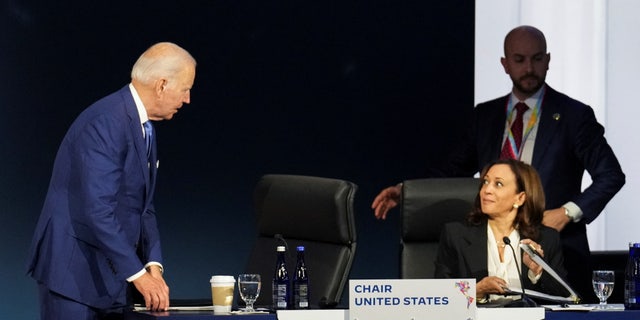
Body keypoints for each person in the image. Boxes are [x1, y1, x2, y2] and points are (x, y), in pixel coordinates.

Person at [371, 25, 625, 302]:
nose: (529, 67)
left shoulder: (574, 116)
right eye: (519, 60)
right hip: (493, 243)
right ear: (505, 64)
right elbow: (452, 169)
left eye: (537, 58)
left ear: (548, 60)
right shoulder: (485, 116)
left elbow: (610, 175)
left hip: (555, 246)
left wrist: (566, 213)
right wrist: (406, 190)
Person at [26, 42, 196, 319]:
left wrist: (154, 265)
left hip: (111, 280)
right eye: (186, 89)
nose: (187, 99)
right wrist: (139, 275)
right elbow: (98, 209)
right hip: (74, 277)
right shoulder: (106, 122)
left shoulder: (144, 128)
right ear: (162, 85)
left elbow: (144, 206)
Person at [435, 159, 570, 305]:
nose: (487, 190)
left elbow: (565, 299)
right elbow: (440, 296)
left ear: (520, 198)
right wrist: (475, 291)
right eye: (485, 182)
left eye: (498, 184)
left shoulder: (546, 238)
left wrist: (537, 272)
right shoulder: (456, 235)